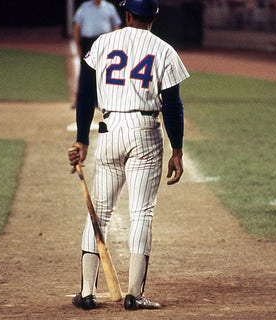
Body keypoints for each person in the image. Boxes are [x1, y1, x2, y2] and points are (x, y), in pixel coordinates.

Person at [67, 0, 190, 311]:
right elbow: (172, 105)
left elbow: (85, 94)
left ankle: (86, 292)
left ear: (127, 14)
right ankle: (135, 294)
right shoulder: (163, 49)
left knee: (99, 212)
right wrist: (177, 149)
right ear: (155, 16)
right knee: (142, 213)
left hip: (109, 130)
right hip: (145, 130)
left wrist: (82, 139)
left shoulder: (103, 43)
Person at [72, 0, 122, 109]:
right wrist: (77, 45)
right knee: (85, 72)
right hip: (88, 42)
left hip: (105, 42)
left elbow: (116, 26)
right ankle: (81, 101)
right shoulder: (84, 7)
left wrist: (116, 44)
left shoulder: (109, 7)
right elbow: (77, 27)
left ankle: (103, 101)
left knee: (105, 72)